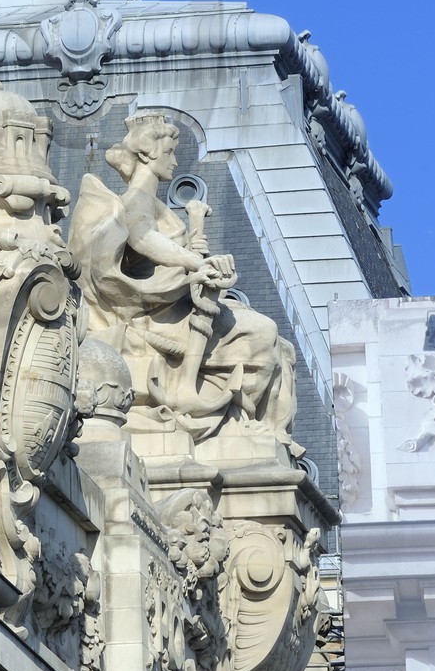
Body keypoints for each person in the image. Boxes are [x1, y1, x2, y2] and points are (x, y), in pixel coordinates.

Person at [68, 111, 298, 443]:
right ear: (148, 154)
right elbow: (142, 237)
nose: (175, 161)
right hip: (148, 318)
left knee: (282, 348)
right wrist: (195, 262)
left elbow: (161, 250)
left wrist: (197, 254)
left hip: (175, 305)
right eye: (170, 152)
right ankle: (239, 426)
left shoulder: (155, 205)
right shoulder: (135, 200)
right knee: (263, 334)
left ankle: (257, 426)